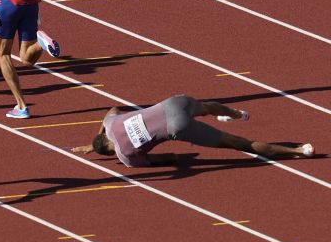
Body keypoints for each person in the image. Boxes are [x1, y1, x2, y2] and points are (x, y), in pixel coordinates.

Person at [71, 95, 315, 167]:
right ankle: (236, 114)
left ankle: (297, 151)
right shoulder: (111, 124)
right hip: (171, 103)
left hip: (177, 127)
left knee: (240, 144)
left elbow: (167, 158)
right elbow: (112, 109)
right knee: (207, 107)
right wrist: (98, 134)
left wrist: (174, 158)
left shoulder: (125, 157)